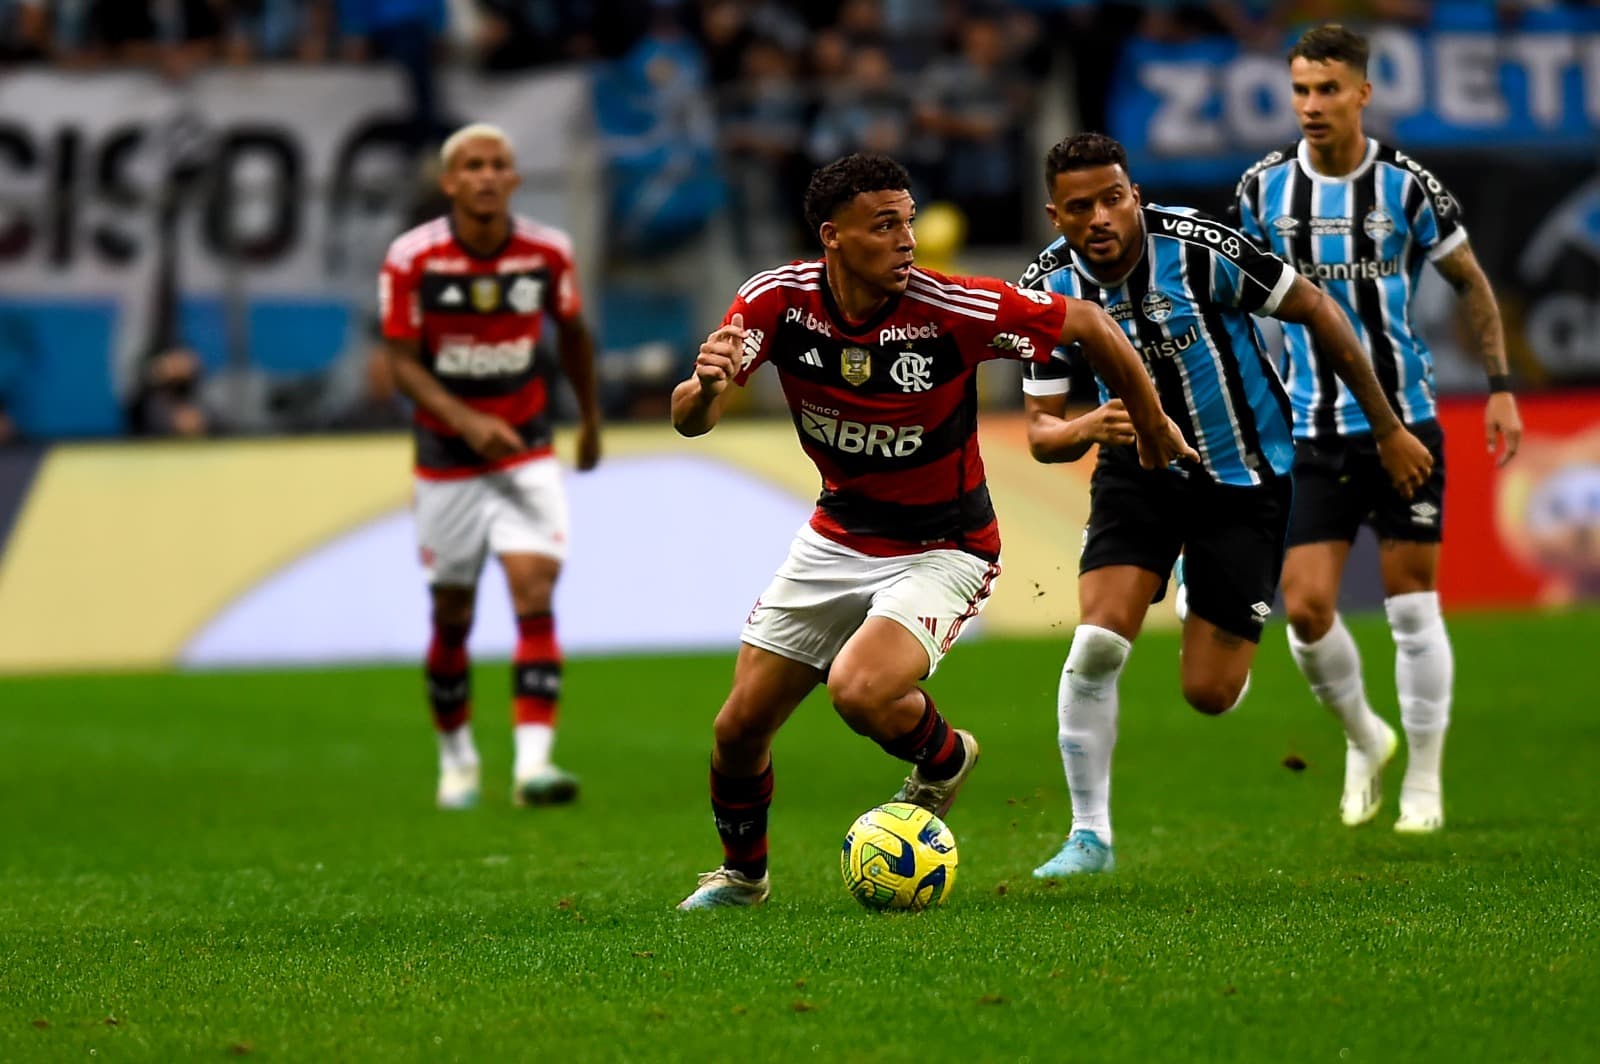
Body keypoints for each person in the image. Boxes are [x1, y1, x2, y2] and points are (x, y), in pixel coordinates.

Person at [669, 152, 1192, 910]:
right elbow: (694, 418)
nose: (907, 240)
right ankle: (743, 878)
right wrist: (704, 386)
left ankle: (942, 761)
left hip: (944, 545)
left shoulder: (952, 309)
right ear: (834, 236)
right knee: (738, 729)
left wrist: (1149, 421)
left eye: (909, 221)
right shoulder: (777, 302)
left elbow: (1085, 321)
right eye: (885, 225)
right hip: (836, 536)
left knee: (859, 692)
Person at [1019, 132, 1433, 878]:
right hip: (1135, 473)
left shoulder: (1201, 248)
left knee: (1209, 694)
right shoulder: (1043, 290)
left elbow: (1318, 310)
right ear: (1057, 215)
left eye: (1114, 198)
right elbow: (1042, 436)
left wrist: (1389, 426)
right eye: (1080, 207)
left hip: (1244, 479)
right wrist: (1086, 426)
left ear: (1134, 194)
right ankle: (1089, 838)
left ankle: (1210, 596)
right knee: (1098, 642)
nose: (1101, 217)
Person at [1235, 24, 1523, 834]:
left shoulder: (1405, 185)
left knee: (1410, 607)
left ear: (1364, 92)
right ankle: (1367, 737)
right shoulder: (1261, 190)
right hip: (1310, 432)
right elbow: (1232, 297)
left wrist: (1499, 387)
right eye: (1300, 90)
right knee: (1307, 610)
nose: (1312, 106)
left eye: (1328, 90)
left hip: (1407, 425)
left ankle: (1425, 783)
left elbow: (1471, 283)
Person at [379, 123, 603, 810]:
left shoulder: (546, 253)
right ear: (449, 183)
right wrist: (469, 421)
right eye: (471, 165)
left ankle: (534, 766)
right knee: (453, 613)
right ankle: (457, 761)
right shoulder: (413, 259)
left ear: (513, 180)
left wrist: (590, 420)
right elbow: (402, 364)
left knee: (534, 594)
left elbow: (572, 338)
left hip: (527, 448)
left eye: (497, 165)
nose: (484, 175)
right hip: (447, 459)